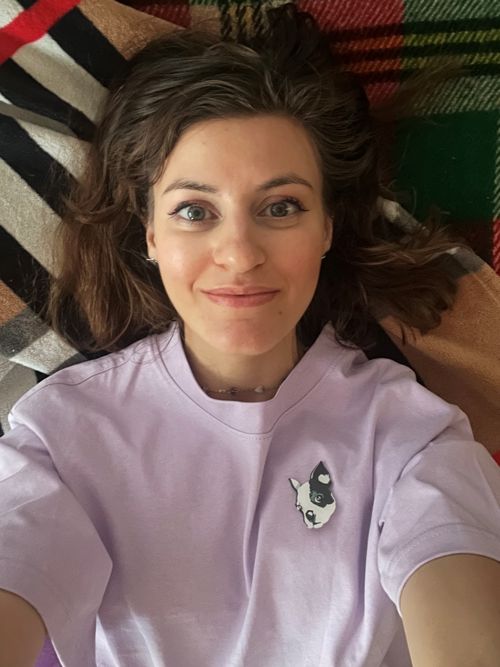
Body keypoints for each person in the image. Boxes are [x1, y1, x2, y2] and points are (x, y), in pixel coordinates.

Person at [1, 4, 499, 666]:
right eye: (194, 211)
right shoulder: (60, 438)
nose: (239, 255)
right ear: (150, 234)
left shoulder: (410, 436)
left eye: (280, 207)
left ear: (327, 228)